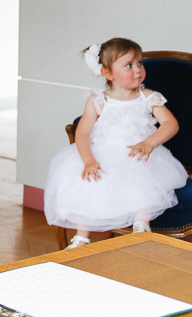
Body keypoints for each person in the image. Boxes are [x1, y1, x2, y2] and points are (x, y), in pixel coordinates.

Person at [44, 38, 186, 248]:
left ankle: (141, 224)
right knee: (88, 182)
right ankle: (82, 237)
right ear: (108, 74)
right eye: (129, 65)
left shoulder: (148, 97)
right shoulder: (98, 100)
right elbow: (82, 133)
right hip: (103, 154)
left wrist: (149, 143)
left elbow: (170, 124)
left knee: (141, 177)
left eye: (140, 63)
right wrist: (89, 160)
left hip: (138, 152)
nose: (137, 70)